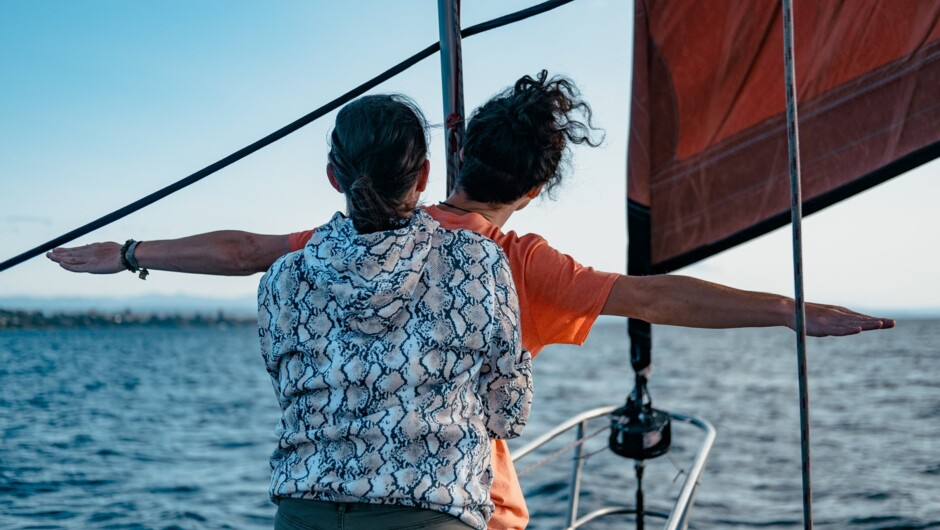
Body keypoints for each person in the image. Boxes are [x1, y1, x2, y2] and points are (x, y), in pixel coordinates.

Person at [47, 71, 894, 530]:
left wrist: (127, 254)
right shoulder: (516, 263)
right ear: (534, 190)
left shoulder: (358, 230)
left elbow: (242, 253)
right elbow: (657, 298)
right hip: (462, 510)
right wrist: (789, 309)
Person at [239, 94, 533, 529]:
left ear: (333, 177)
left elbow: (293, 394)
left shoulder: (283, 277)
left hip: (305, 514)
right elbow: (507, 415)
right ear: (424, 175)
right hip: (431, 515)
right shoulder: (478, 261)